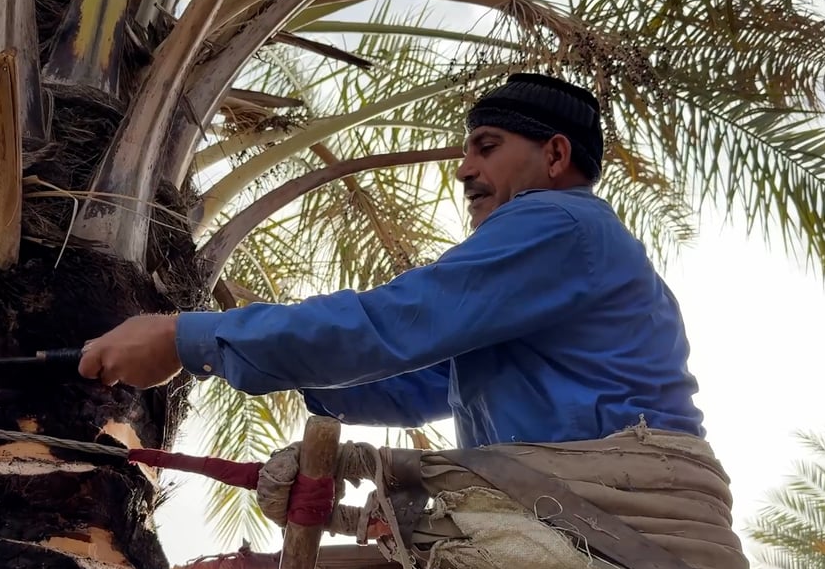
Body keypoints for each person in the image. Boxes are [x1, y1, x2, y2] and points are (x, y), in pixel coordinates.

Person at [77, 72, 706, 448]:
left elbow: (395, 326)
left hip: (611, 525)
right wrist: (279, 360)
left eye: (487, 147)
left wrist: (187, 337)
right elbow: (417, 385)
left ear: (556, 155)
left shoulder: (559, 222)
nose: (464, 170)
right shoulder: (559, 265)